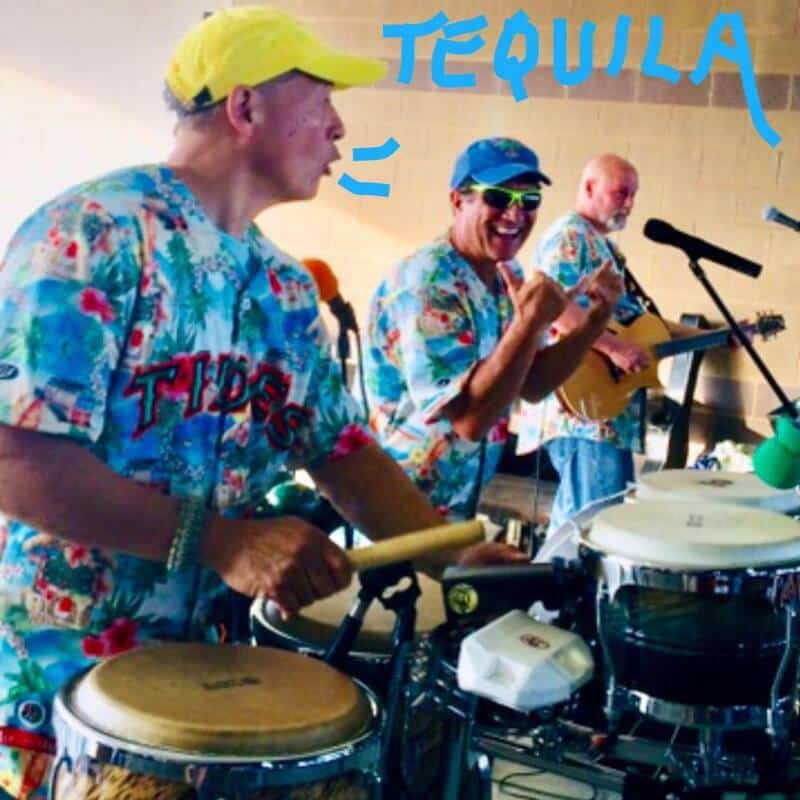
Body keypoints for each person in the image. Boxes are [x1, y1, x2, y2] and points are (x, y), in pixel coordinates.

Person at [0, 8, 524, 797]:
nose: (339, 128)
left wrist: (445, 553)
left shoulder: (282, 286)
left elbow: (339, 451)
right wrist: (219, 540)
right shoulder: (91, 235)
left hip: (205, 677)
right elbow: (14, 461)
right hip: (63, 684)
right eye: (322, 102)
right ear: (244, 107)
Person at [365, 138, 623, 520]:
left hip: (457, 504)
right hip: (399, 506)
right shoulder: (426, 284)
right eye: (499, 198)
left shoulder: (506, 274)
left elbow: (532, 384)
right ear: (458, 200)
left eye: (529, 200)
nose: (515, 214)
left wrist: (595, 321)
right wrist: (530, 322)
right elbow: (470, 421)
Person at [516, 153, 700, 535]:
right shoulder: (571, 237)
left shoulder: (602, 246)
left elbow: (639, 323)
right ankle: (558, 576)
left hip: (603, 411)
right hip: (581, 411)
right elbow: (552, 307)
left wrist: (715, 337)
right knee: (593, 523)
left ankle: (553, 575)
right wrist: (615, 349)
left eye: (634, 194)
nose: (630, 203)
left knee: (582, 522)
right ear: (589, 187)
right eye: (621, 193)